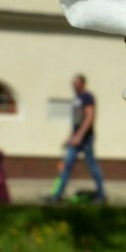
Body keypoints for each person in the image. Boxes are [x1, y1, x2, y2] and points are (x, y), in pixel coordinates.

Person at [50, 74, 106, 203]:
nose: (73, 85)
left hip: (86, 139)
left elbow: (89, 117)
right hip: (76, 138)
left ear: (83, 83)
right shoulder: (76, 99)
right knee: (67, 165)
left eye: (76, 83)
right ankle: (57, 195)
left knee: (92, 166)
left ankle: (101, 195)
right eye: (73, 83)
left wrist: (79, 136)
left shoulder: (87, 97)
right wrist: (70, 137)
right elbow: (76, 121)